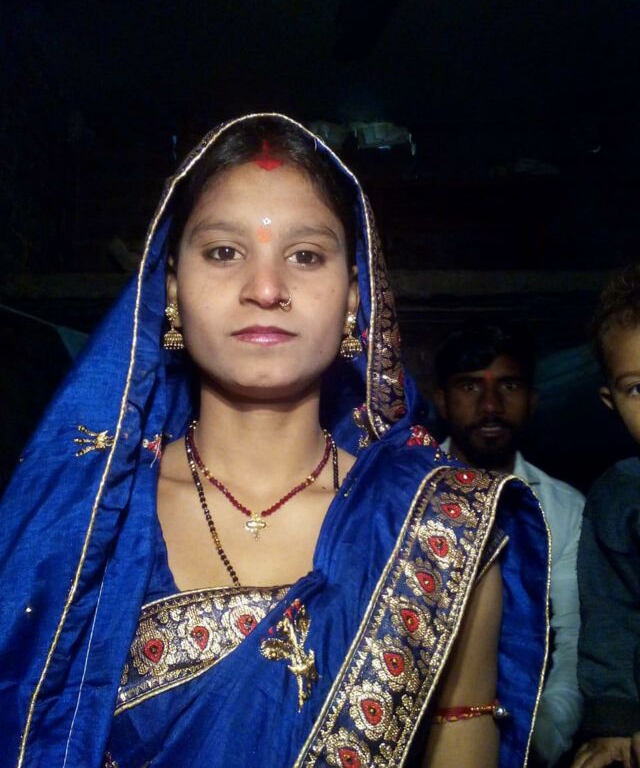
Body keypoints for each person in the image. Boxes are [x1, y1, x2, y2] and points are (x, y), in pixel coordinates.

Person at [0, 114, 549, 767]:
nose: (265, 290)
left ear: (355, 298)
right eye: (223, 252)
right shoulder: (82, 522)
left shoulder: (442, 526)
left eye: (306, 255)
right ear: (171, 289)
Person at [433, 322, 584, 766]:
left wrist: (540, 736)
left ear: (533, 399)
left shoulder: (564, 507)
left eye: (509, 385)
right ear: (442, 401)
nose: (491, 405)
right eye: (469, 386)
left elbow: (573, 636)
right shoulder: (400, 497)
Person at [571, 264, 640, 768]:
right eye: (638, 389)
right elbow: (611, 617)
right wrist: (613, 724)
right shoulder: (618, 497)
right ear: (611, 402)